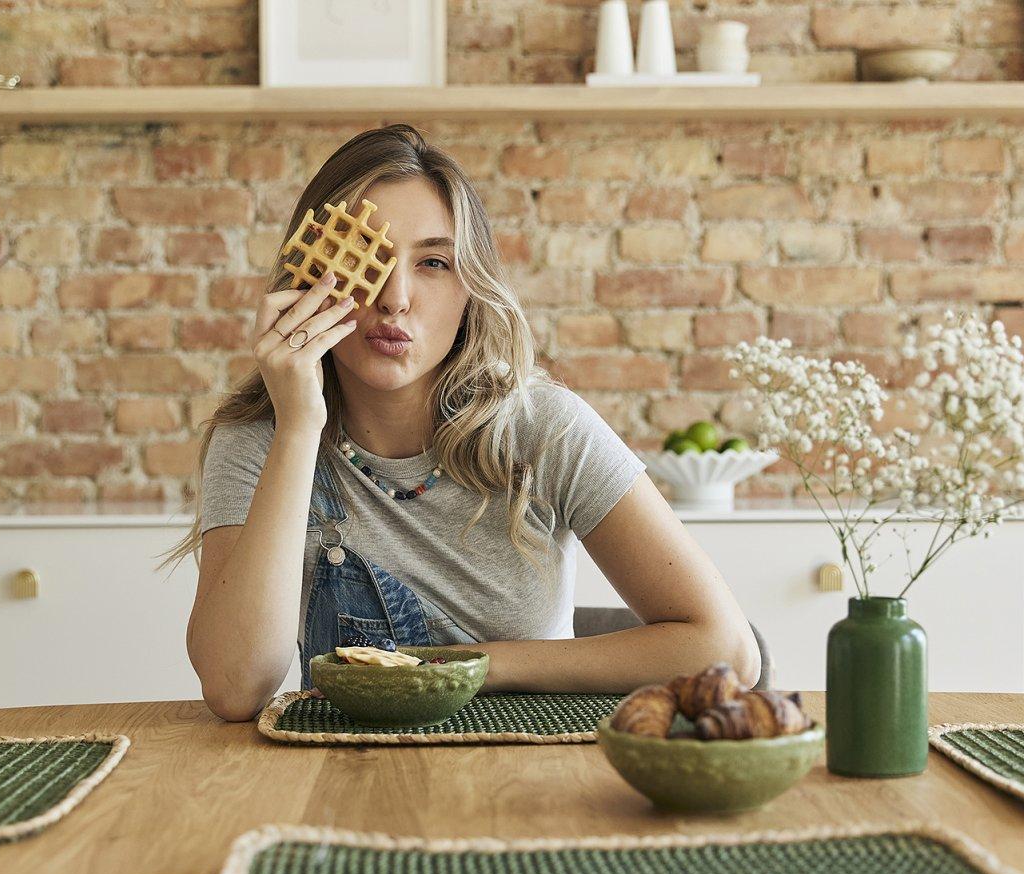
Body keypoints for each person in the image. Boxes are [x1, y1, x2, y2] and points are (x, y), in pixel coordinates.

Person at [161, 123, 760, 722]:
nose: (395, 297)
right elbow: (235, 688)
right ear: (312, 272)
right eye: (368, 256)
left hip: (526, 762)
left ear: (471, 287)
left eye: (433, 263)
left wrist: (472, 665)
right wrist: (297, 428)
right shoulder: (259, 441)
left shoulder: (543, 429)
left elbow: (727, 649)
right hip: (346, 765)